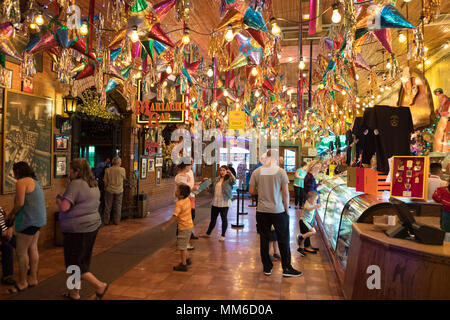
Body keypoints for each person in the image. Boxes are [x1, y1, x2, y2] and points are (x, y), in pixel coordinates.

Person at [56, 158, 109, 300]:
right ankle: (74, 293)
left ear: (77, 171)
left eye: (70, 170)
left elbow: (65, 207)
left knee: (74, 265)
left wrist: (59, 199)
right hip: (91, 227)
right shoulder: (93, 183)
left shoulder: (76, 184)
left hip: (76, 230)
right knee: (81, 262)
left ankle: (99, 285)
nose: (69, 173)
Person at [249, 150, 302, 277]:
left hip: (262, 210)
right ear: (275, 158)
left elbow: (251, 191)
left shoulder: (256, 172)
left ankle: (267, 267)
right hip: (278, 210)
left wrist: (262, 192)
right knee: (283, 239)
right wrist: (287, 210)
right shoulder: (280, 171)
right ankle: (287, 268)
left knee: (264, 239)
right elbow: (285, 193)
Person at [7, 162, 46, 293]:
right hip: (38, 220)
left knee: (21, 252)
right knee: (33, 248)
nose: (13, 174)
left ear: (18, 171)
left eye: (14, 171)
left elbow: (20, 203)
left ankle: (23, 282)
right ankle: (33, 278)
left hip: (28, 221)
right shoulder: (35, 181)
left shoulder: (21, 182)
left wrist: (11, 215)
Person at [162, 184, 193, 271]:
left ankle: (183, 265)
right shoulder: (187, 200)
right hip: (189, 226)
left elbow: (174, 216)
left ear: (181, 195)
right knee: (184, 244)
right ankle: (187, 259)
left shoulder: (179, 204)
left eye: (177, 191)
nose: (175, 192)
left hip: (184, 227)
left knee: (182, 247)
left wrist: (166, 226)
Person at [202, 165, 236, 241]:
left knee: (224, 219)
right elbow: (211, 190)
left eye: (224, 170)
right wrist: (207, 186)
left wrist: (231, 174)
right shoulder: (216, 179)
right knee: (213, 219)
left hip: (224, 201)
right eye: (221, 170)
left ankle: (223, 235)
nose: (222, 172)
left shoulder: (229, 179)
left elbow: (234, 181)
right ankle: (208, 233)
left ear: (227, 171)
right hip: (215, 201)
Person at [175, 161, 200, 248]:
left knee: (189, 219)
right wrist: (195, 188)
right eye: (189, 165)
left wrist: (196, 185)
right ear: (185, 166)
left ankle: (185, 241)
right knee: (183, 221)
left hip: (189, 199)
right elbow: (184, 190)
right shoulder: (180, 177)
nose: (191, 166)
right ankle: (182, 242)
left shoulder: (187, 175)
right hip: (184, 201)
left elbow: (189, 187)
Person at [301, 160, 323, 252]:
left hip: (311, 203)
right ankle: (305, 246)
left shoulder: (310, 177)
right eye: (318, 168)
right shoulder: (309, 177)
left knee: (309, 224)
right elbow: (310, 191)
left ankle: (307, 245)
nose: (319, 170)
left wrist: (318, 185)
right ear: (314, 168)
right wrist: (318, 188)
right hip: (310, 203)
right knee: (308, 225)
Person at [103, 156, 126, 225]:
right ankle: (117, 221)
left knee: (108, 206)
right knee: (118, 206)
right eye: (120, 161)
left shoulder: (108, 170)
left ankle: (106, 221)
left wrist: (105, 188)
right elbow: (124, 178)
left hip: (109, 190)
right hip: (119, 190)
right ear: (118, 162)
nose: (121, 162)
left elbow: (105, 181)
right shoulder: (122, 170)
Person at [297, 192, 320, 256]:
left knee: (305, 235)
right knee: (313, 231)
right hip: (304, 221)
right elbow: (308, 208)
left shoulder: (312, 203)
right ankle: (300, 237)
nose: (316, 201)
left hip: (307, 222)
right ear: (310, 199)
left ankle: (301, 248)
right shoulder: (307, 203)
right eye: (315, 199)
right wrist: (315, 206)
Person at [0, 207, 16, 286]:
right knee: (8, 248)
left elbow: (7, 220)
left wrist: (10, 227)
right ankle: (7, 276)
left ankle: (27, 267)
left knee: (20, 244)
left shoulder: (0, 209)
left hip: (6, 235)